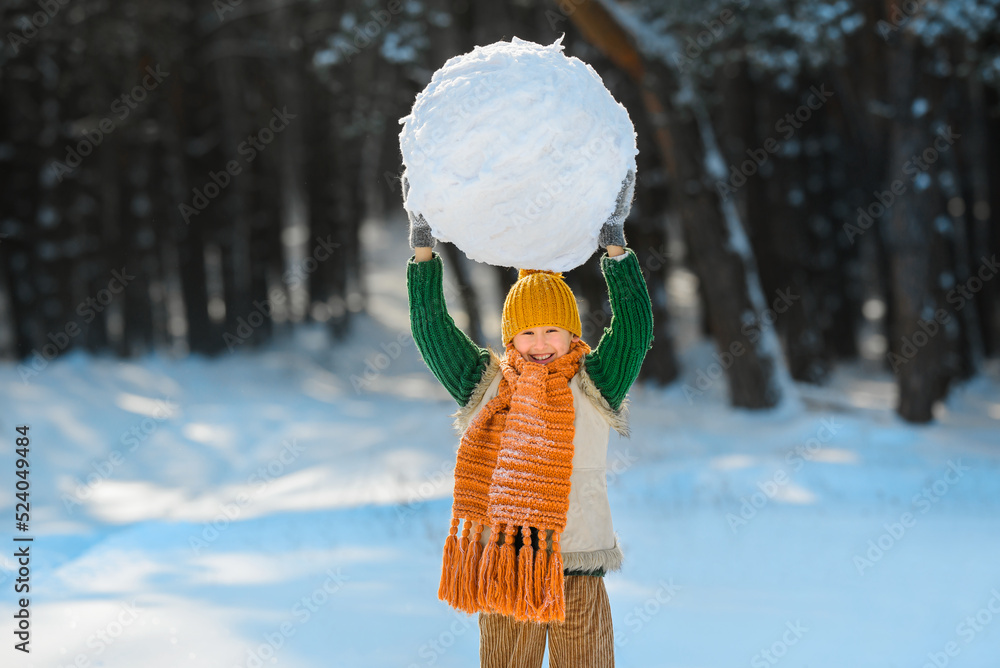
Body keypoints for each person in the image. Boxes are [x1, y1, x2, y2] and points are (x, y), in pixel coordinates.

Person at [405, 170, 653, 668]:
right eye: (527, 333)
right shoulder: (488, 385)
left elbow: (635, 327)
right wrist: (422, 250)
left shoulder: (594, 382)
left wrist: (616, 250)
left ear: (572, 332)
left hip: (579, 570)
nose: (540, 343)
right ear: (509, 339)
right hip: (507, 567)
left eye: (553, 330)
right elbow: (431, 329)